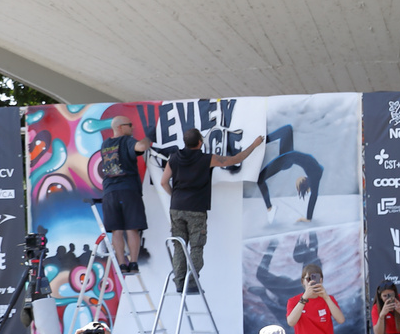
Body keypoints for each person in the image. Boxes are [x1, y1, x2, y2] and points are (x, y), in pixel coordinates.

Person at [159, 127, 264, 292]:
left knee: (179, 246)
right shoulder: (206, 159)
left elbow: (163, 182)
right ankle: (191, 283)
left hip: (176, 207)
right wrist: (255, 144)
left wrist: (175, 197)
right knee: (196, 247)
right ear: (200, 142)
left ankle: (179, 283)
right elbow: (235, 159)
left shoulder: (173, 158)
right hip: (196, 208)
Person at [97, 114, 154, 275]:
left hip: (109, 192)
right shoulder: (127, 140)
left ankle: (122, 264)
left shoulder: (105, 144)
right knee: (132, 228)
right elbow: (141, 147)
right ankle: (133, 263)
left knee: (116, 230)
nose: (132, 127)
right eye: (129, 124)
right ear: (120, 127)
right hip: (128, 189)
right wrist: (149, 138)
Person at [256, 124, 324, 224]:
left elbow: (314, 196)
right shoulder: (315, 172)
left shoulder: (315, 175)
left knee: (260, 179)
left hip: (286, 159)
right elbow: (313, 195)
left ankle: (270, 208)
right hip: (288, 156)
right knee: (287, 129)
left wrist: (308, 218)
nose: (301, 179)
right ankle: (262, 140)